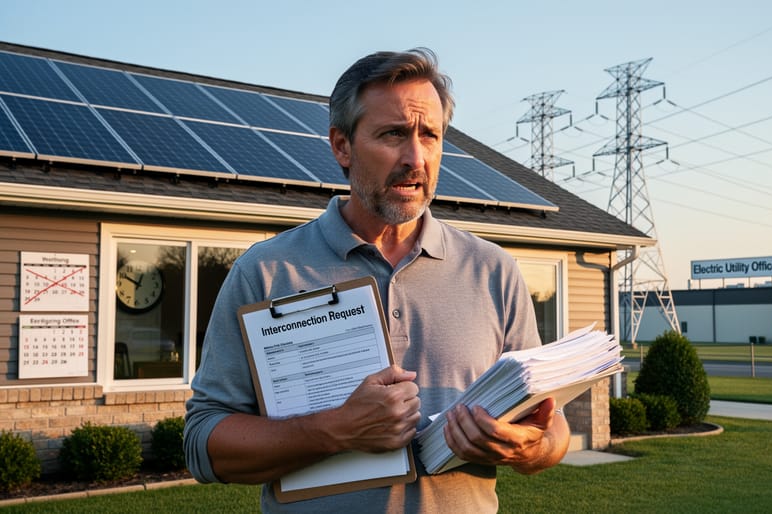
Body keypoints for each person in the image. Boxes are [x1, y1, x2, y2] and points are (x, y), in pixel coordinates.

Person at [184, 48, 570, 513]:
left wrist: (528, 448)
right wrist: (334, 430)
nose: (415, 157)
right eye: (393, 134)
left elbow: (552, 426)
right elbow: (203, 443)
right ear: (342, 146)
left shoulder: (493, 270)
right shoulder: (267, 271)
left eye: (430, 135)